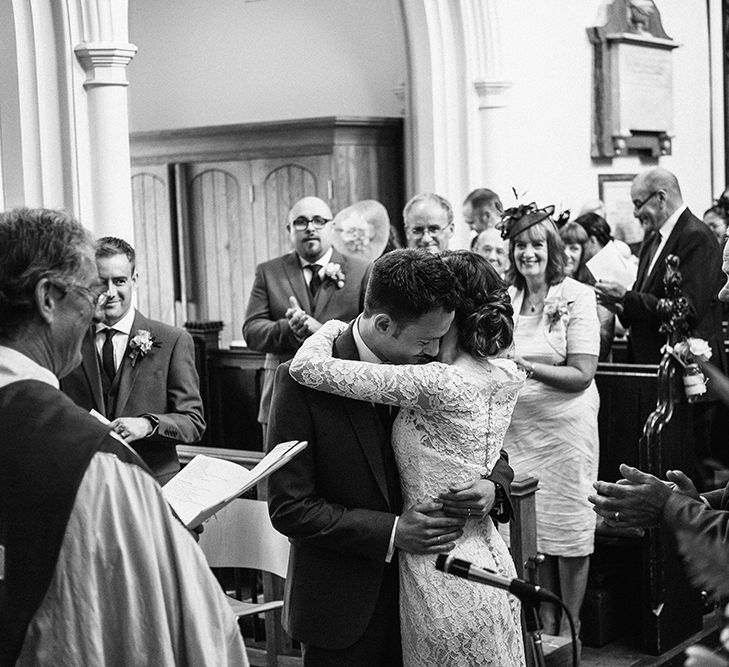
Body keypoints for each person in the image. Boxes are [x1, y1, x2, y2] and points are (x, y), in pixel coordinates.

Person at [0, 208, 247, 666]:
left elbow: (191, 417)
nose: (97, 303)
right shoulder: (100, 467)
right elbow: (183, 636)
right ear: (49, 298)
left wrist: (148, 425)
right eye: (88, 291)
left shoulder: (167, 339)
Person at [267, 249, 518, 666]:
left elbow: (483, 444)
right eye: (425, 340)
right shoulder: (300, 382)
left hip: (434, 596)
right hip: (346, 608)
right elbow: (290, 507)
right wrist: (393, 531)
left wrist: (494, 487)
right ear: (384, 324)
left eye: (442, 335)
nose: (436, 348)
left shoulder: (435, 368)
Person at [500, 202, 601, 637]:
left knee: (570, 522)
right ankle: (542, 617)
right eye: (520, 245)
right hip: (519, 429)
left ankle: (571, 622)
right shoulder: (506, 297)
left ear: (552, 247)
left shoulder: (576, 294)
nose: (528, 253)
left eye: (537, 244)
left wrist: (524, 366)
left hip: (566, 428)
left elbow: (581, 374)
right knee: (531, 527)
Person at [61, 237, 205, 485]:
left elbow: (193, 422)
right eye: (100, 282)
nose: (109, 292)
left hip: (153, 483)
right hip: (87, 482)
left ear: (134, 280)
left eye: (119, 281)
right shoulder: (67, 342)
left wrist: (147, 425)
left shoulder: (173, 340)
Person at [242, 196, 370, 444]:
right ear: (289, 230)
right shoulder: (269, 272)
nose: (310, 227)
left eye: (319, 221)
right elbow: (252, 331)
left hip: (340, 396)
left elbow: (370, 332)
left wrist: (322, 331)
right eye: (301, 222)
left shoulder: (362, 270)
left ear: (332, 227)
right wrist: (290, 329)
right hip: (282, 394)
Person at [594, 168, 725, 366]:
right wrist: (620, 305)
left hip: (689, 369)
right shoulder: (652, 239)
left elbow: (688, 312)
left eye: (638, 204)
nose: (636, 213)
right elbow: (645, 299)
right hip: (649, 361)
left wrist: (626, 297)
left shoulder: (697, 236)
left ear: (661, 197)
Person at [562, 216, 617, 361]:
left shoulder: (597, 290)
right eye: (562, 247)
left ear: (583, 252)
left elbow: (603, 343)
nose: (566, 254)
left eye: (573, 248)